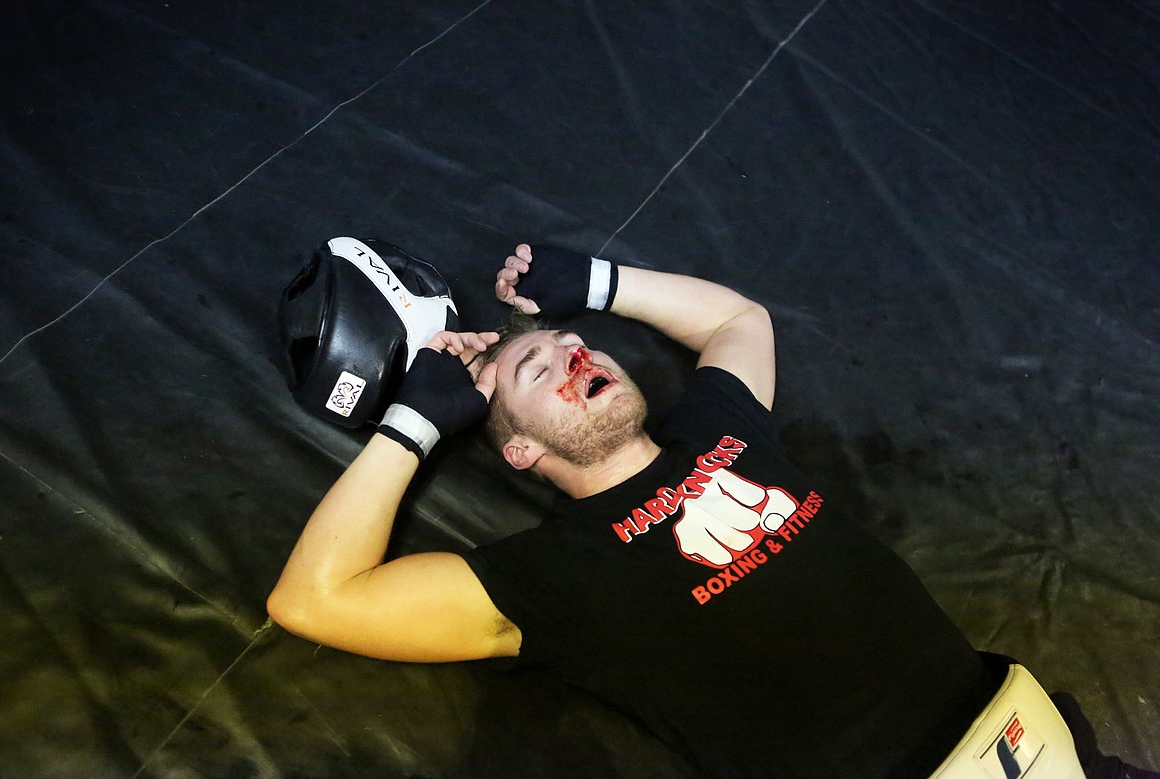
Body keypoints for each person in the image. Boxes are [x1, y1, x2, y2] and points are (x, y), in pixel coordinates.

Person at [268, 244, 1154, 778]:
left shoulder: (720, 433)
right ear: (519, 452)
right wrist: (415, 421)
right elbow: (316, 598)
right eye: (542, 371)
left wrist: (600, 282)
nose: (576, 354)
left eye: (575, 345)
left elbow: (738, 320)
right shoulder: (551, 574)